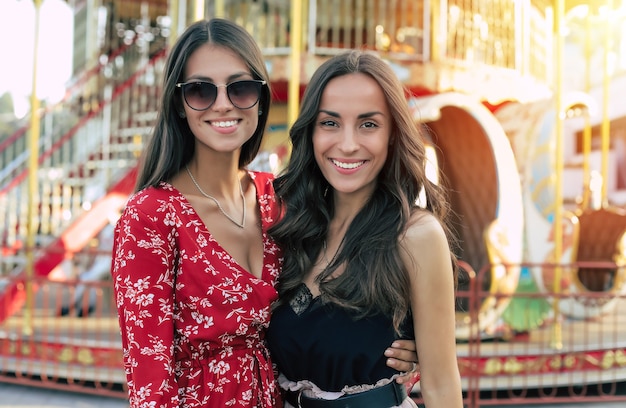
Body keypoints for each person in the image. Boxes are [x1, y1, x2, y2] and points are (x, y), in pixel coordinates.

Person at [111, 19, 419, 408]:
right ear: (179, 103)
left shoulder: (281, 200)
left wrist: (400, 348)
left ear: (259, 97)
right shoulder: (151, 217)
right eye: (201, 90)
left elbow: (329, 302)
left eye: (240, 88)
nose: (222, 104)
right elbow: (149, 380)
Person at [266, 50, 463, 407]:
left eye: (368, 124)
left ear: (392, 134)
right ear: (310, 131)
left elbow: (442, 386)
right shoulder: (288, 227)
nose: (348, 143)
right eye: (330, 123)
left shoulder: (416, 236)